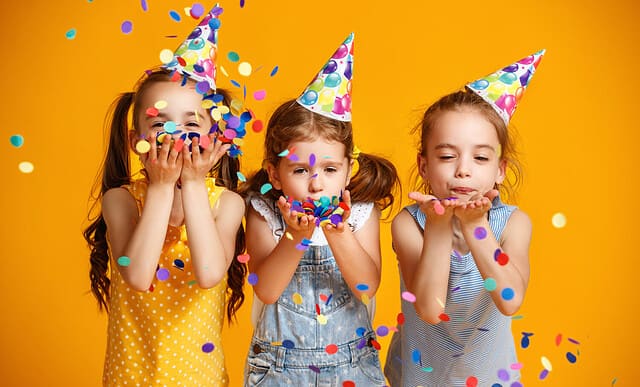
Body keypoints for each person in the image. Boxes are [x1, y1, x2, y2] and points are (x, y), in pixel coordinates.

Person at [83, 6, 249, 385]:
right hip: (131, 377)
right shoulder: (122, 200)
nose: (176, 135)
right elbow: (138, 275)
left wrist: (192, 183)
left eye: (192, 123)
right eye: (160, 123)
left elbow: (210, 273)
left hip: (202, 378)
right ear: (135, 140)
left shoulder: (226, 204)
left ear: (216, 140)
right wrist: (159, 187)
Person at [241, 33, 399, 386]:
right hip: (279, 369)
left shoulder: (359, 213)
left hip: (352, 366)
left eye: (329, 170)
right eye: (300, 171)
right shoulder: (263, 211)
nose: (316, 184)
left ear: (348, 169)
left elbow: (366, 286)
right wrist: (295, 236)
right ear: (275, 175)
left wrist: (338, 232)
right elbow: (265, 290)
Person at [385, 50, 545, 386]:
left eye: (481, 157)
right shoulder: (409, 223)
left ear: (500, 170)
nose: (463, 169)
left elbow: (510, 300)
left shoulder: (513, 224)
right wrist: (439, 228)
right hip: (419, 379)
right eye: (447, 155)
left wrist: (476, 227)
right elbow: (430, 309)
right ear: (425, 165)